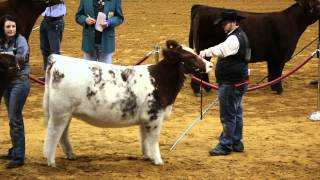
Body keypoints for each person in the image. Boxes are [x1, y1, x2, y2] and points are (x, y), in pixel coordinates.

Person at [199, 10, 250, 156]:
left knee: (227, 115)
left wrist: (204, 52)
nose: (223, 26)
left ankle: (226, 145)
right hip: (238, 81)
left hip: (231, 83)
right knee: (236, 113)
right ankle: (236, 142)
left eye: (225, 23)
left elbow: (221, 49)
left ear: (233, 22)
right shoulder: (239, 36)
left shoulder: (234, 39)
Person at [0, 14, 30, 168]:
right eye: (8, 27)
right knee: (12, 118)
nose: (11, 29)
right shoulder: (1, 41)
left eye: (13, 26)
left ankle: (19, 156)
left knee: (14, 117)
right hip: (6, 83)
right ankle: (14, 151)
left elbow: (21, 56)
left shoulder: (21, 41)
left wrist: (11, 59)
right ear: (3, 28)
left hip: (20, 82)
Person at [39, 0, 66, 78]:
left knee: (55, 52)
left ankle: (56, 76)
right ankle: (47, 74)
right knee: (45, 49)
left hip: (56, 22)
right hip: (45, 20)